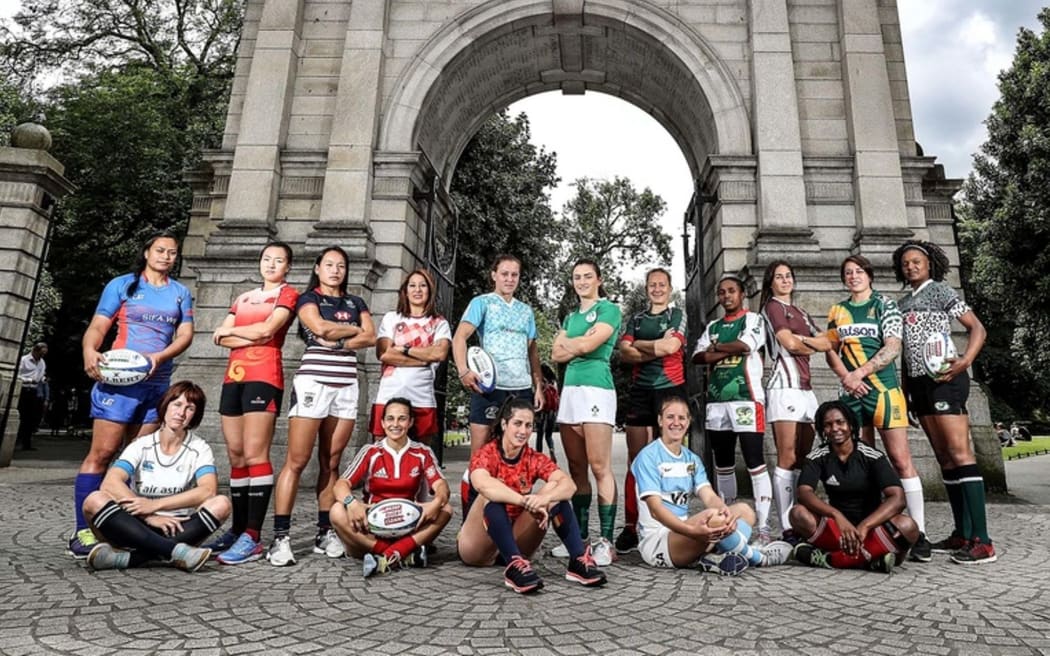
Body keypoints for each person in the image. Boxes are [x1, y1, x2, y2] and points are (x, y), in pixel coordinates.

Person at [70, 230, 194, 559]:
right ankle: (82, 531)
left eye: (172, 252)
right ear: (146, 252)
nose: (167, 256)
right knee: (103, 453)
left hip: (157, 384)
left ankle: (125, 529)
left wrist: (160, 358)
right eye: (160, 250)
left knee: (135, 459)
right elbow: (99, 325)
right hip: (118, 384)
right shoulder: (123, 285)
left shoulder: (180, 293)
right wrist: (88, 349)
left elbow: (185, 334)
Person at [262, 246, 376, 567]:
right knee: (296, 461)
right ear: (317, 268)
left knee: (332, 462)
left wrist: (339, 339)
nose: (335, 270)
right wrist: (351, 333)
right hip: (313, 382)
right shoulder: (308, 298)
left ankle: (324, 533)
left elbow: (372, 336)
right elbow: (321, 329)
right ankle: (281, 538)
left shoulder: (356, 302)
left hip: (346, 385)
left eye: (341, 266)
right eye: (329, 265)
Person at [893, 240, 995, 564]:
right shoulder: (902, 302)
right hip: (919, 384)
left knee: (960, 453)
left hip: (945, 380)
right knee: (944, 459)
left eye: (916, 262)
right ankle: (962, 533)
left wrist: (965, 361)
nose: (911, 267)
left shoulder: (940, 290)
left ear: (929, 265)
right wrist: (906, 391)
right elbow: (907, 350)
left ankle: (983, 541)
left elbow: (976, 327)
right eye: (906, 263)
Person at [825, 254, 930, 561]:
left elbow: (893, 346)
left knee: (900, 460)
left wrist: (861, 373)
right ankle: (872, 524)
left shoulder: (885, 305)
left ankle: (918, 532)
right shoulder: (838, 310)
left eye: (858, 271)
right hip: (851, 393)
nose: (853, 276)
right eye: (848, 272)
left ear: (869, 275)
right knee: (863, 462)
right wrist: (847, 377)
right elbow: (831, 350)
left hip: (884, 392)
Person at [205, 242, 299, 564]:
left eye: (279, 260)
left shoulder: (287, 294)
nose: (271, 264)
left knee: (256, 452)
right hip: (234, 376)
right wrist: (250, 334)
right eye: (267, 259)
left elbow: (269, 331)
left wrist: (240, 334)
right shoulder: (243, 298)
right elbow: (220, 336)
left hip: (265, 374)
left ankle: (253, 536)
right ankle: (237, 528)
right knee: (236, 453)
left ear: (288, 267)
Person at [458, 397, 606, 593]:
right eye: (517, 424)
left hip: (516, 539)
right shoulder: (486, 453)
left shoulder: (533, 457)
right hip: (478, 546)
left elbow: (569, 485)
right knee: (491, 496)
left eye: (528, 425)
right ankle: (514, 565)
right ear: (504, 424)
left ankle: (577, 561)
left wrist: (543, 499)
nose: (523, 431)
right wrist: (524, 501)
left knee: (555, 494)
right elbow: (482, 484)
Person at [631, 396, 792, 574]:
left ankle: (716, 556)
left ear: (689, 421)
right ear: (660, 420)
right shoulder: (648, 456)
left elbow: (708, 495)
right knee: (713, 517)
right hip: (659, 541)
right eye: (670, 417)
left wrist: (725, 512)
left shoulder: (692, 459)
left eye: (682, 418)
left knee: (743, 511)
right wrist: (692, 531)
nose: (676, 423)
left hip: (688, 533)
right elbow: (655, 510)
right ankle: (758, 558)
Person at [80, 381, 229, 572]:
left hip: (176, 527)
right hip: (134, 523)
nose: (181, 413)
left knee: (222, 503)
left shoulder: (200, 448)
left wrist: (155, 505)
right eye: (176, 404)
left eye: (190, 408)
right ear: (165, 406)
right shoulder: (141, 444)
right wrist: (148, 514)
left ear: (195, 416)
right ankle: (175, 552)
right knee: (93, 500)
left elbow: (207, 491)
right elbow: (110, 482)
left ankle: (129, 559)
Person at [691, 273, 774, 543]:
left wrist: (718, 349)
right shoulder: (713, 325)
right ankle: (728, 523)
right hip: (717, 402)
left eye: (731, 291)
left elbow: (747, 345)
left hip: (746, 398)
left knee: (754, 463)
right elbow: (697, 356)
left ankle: (763, 527)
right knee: (723, 464)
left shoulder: (753, 320)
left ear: (742, 295)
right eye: (722, 292)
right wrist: (728, 350)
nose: (726, 296)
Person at [790, 400, 919, 572]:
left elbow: (898, 498)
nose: (835, 428)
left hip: (872, 527)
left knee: (908, 527)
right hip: (838, 530)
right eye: (828, 425)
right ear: (823, 430)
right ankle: (869, 560)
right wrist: (836, 515)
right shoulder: (817, 457)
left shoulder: (871, 456)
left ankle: (832, 559)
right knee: (798, 513)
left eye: (840, 422)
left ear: (851, 425)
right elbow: (804, 492)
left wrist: (865, 525)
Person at [330, 397, 452, 577]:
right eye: (390, 418)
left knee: (446, 509)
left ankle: (386, 556)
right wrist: (352, 503)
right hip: (372, 523)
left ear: (410, 422)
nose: (395, 424)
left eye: (402, 418)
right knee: (336, 511)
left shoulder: (422, 452)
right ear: (382, 422)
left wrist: (438, 501)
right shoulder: (370, 451)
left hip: (407, 521)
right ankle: (403, 553)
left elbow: (441, 485)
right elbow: (340, 485)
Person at [551, 258, 622, 565]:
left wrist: (576, 344)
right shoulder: (569, 317)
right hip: (571, 392)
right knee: (576, 469)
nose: (581, 281)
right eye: (577, 277)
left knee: (599, 466)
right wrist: (581, 342)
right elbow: (556, 353)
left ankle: (605, 541)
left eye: (587, 276)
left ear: (599, 279)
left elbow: (586, 348)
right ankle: (579, 539)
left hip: (597, 389)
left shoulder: (609, 309)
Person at [758, 260, 833, 542]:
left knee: (804, 456)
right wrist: (807, 342)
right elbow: (787, 344)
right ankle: (788, 526)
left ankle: (801, 520)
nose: (785, 280)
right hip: (783, 386)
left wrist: (802, 339)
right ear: (771, 282)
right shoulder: (773, 307)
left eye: (789, 275)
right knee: (787, 456)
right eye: (779, 276)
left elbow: (828, 342)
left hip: (806, 388)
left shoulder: (800, 311)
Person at [615, 267, 687, 554]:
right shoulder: (636, 318)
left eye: (661, 284)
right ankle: (632, 526)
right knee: (637, 460)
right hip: (640, 391)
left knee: (668, 457)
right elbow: (624, 352)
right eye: (652, 285)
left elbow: (672, 347)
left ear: (669, 288)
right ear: (646, 289)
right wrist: (655, 345)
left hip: (670, 389)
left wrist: (642, 347)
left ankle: (669, 522)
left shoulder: (677, 315)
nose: (656, 288)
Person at [453, 255, 544, 456]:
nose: (509, 279)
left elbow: (532, 352)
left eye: (514, 275)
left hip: (521, 388)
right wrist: (463, 371)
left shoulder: (526, 311)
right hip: (489, 386)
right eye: (504, 274)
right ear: (494, 275)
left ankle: (511, 488)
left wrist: (538, 387)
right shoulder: (482, 303)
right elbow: (459, 337)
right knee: (481, 452)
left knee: (516, 451)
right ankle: (475, 488)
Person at [370, 269, 451, 446]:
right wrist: (423, 359)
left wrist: (404, 349)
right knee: (381, 449)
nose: (417, 290)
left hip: (421, 395)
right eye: (412, 285)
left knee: (422, 452)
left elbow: (439, 353)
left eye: (423, 285)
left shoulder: (440, 323)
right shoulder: (392, 318)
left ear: (430, 290)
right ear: (405, 291)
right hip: (389, 393)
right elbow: (384, 353)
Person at [16, 342, 48, 451]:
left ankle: (26, 443)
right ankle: (17, 441)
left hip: (34, 391)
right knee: (20, 415)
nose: (41, 357)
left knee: (30, 418)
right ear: (35, 351)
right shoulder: (24, 360)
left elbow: (41, 374)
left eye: (43, 355)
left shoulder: (42, 362)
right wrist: (29, 380)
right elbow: (17, 375)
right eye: (40, 354)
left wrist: (42, 379)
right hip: (23, 389)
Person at [534, 364, 559, 460]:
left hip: (542, 411)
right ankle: (551, 449)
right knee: (549, 435)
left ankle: (538, 456)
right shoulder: (553, 382)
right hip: (552, 411)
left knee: (540, 435)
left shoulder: (541, 382)